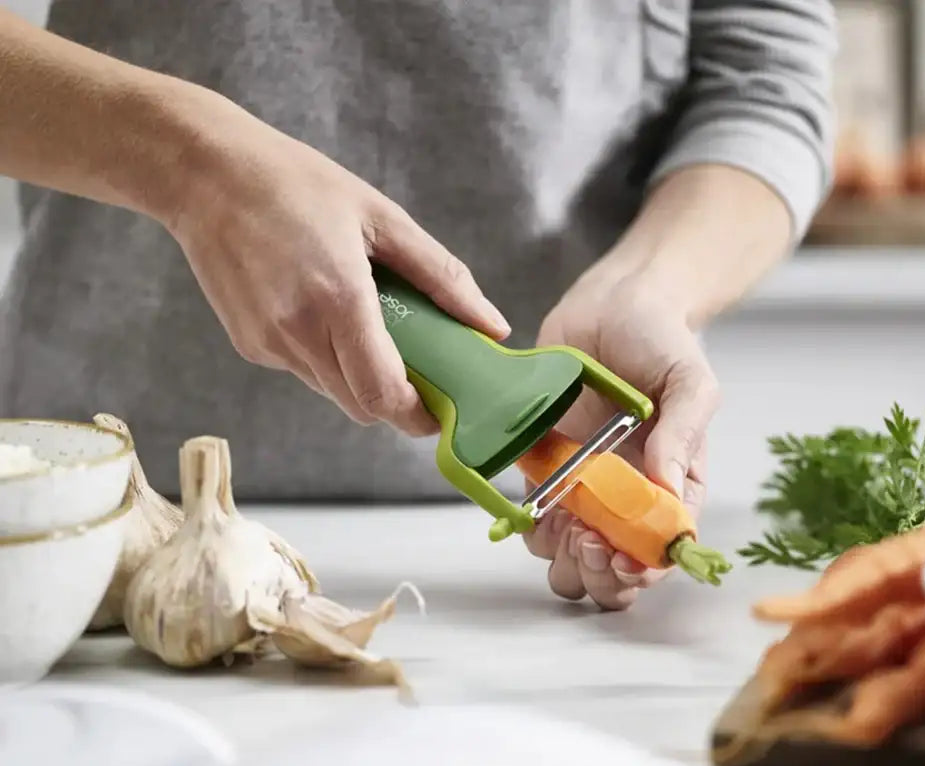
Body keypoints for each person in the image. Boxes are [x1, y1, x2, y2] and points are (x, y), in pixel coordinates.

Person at [0, 2, 835, 610]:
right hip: (92, 531)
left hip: (492, 570)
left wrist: (647, 285)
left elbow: (767, 74)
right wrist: (188, 163)